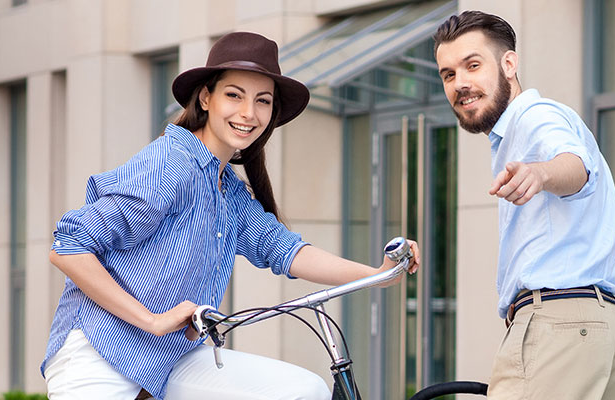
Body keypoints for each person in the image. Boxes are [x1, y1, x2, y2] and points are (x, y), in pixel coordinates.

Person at [39, 31, 421, 400]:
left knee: (303, 392)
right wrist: (151, 320)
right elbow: (68, 247)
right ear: (206, 98)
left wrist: (376, 276)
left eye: (262, 101)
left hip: (168, 360)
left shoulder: (229, 189)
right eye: (234, 95)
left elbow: (285, 250)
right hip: (100, 355)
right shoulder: (172, 164)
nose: (248, 113)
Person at [433, 11, 615, 400]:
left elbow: (575, 166)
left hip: (558, 323)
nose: (461, 84)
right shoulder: (521, 129)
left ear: (509, 64)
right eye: (448, 74)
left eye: (472, 65)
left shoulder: (534, 118)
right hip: (599, 324)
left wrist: (540, 173)